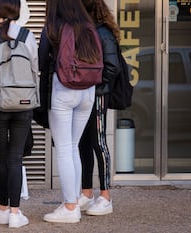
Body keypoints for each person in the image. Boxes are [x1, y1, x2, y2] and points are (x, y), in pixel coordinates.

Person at [38, 0, 102, 223]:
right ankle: (72, 199)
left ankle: (70, 207)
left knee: (64, 148)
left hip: (64, 88)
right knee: (73, 145)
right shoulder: (88, 25)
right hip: (89, 90)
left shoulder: (53, 26)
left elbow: (41, 61)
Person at [0, 0, 38, 228]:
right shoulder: (28, 36)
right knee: (15, 157)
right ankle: (15, 213)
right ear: (18, 11)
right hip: (24, 104)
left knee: (2, 157)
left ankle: (3, 208)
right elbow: (35, 67)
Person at [77, 0, 121, 216]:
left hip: (97, 95)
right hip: (85, 95)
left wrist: (97, 90)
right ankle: (86, 193)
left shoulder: (102, 32)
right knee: (83, 143)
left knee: (98, 142)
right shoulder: (88, 31)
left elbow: (113, 67)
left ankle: (105, 196)